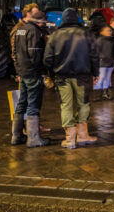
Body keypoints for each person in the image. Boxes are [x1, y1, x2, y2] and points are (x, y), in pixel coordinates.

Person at [44, 8, 99, 149]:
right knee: (84, 104)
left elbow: (47, 59)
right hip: (82, 76)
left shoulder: (55, 35)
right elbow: (94, 55)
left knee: (65, 105)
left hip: (61, 77)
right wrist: (95, 73)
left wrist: (51, 74)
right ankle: (82, 135)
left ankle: (70, 139)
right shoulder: (87, 34)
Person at [11, 8, 50, 147]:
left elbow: (15, 52)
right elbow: (35, 55)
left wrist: (19, 71)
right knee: (34, 104)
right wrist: (42, 72)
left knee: (22, 103)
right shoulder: (35, 32)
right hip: (33, 73)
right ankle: (33, 138)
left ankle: (16, 136)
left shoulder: (20, 30)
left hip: (23, 72)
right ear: (39, 22)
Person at [93, 24, 114, 100]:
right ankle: (98, 94)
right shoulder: (99, 40)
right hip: (102, 63)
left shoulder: (111, 41)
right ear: (102, 32)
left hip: (109, 63)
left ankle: (105, 93)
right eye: (108, 31)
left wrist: (113, 59)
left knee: (107, 78)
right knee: (100, 78)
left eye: (110, 30)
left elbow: (113, 51)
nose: (110, 32)